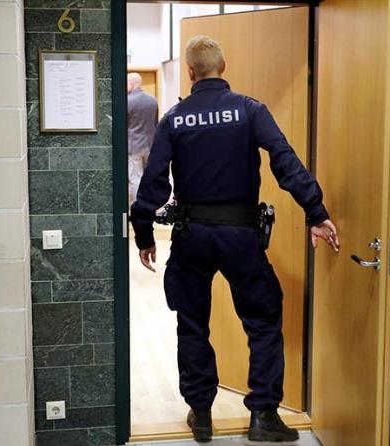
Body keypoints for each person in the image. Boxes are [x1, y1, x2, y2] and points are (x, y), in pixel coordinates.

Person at [130, 36, 340, 443]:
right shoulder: (249, 110)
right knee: (262, 321)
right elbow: (285, 160)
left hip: (191, 236)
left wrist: (143, 236)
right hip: (241, 235)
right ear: (222, 68)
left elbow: (153, 185)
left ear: (191, 72)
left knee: (192, 322)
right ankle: (263, 414)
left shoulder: (174, 119)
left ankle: (202, 414)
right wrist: (315, 211)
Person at [127, 72, 158, 204]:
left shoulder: (127, 101)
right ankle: (149, 206)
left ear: (131, 84)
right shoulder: (153, 100)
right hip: (150, 145)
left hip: (133, 146)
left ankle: (136, 207)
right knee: (149, 178)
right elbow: (155, 123)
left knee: (135, 179)